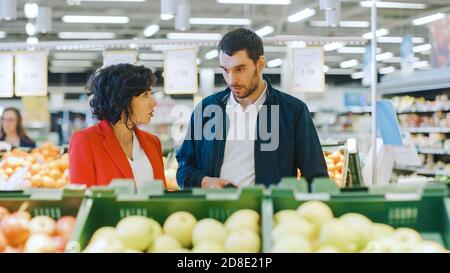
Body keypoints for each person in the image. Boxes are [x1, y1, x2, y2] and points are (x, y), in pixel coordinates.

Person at [176, 28, 328, 189]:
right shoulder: (206, 110)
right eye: (225, 70)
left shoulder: (292, 111)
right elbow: (184, 168)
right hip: (215, 212)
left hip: (271, 212)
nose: (232, 80)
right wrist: (204, 181)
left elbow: (316, 177)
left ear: (260, 64)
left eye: (240, 69)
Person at [69, 64, 166, 188]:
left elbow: (161, 196)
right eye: (145, 95)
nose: (154, 102)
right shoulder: (85, 141)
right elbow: (81, 200)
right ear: (122, 100)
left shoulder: (153, 142)